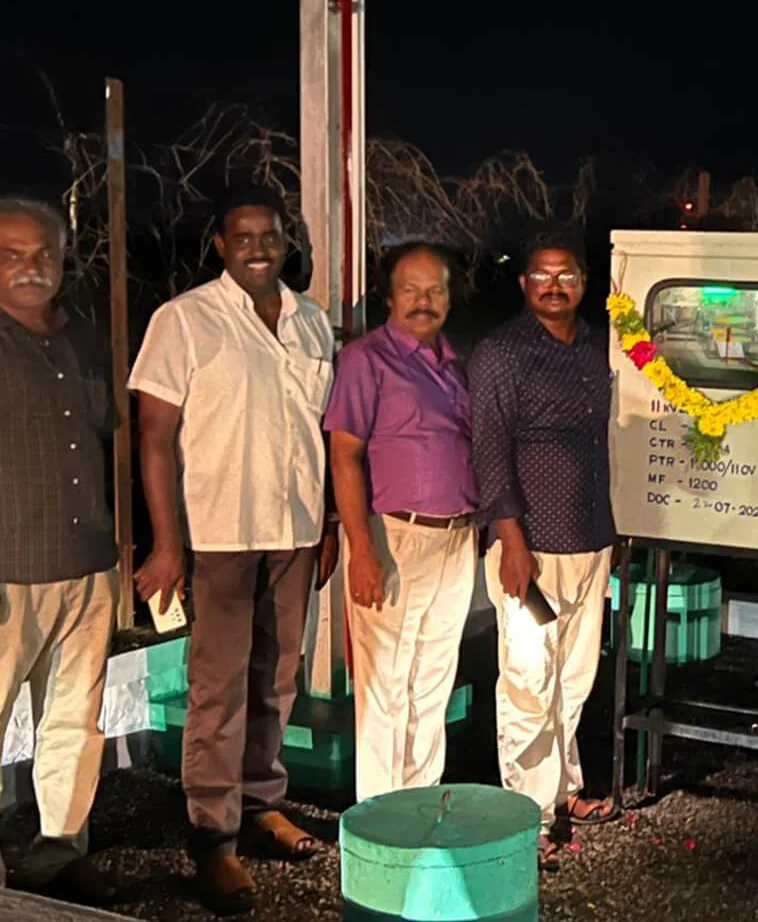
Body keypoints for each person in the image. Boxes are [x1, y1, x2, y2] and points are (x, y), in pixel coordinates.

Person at [129, 185, 338, 916]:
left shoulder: (311, 322)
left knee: (277, 677)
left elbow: (321, 434)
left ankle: (261, 804)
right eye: (242, 237)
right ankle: (213, 837)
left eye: (269, 236)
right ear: (220, 245)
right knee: (218, 688)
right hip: (218, 532)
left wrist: (328, 522)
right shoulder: (184, 319)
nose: (257, 248)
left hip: (295, 530)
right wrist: (167, 542)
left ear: (286, 243)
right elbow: (155, 438)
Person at [468, 234, 617, 871]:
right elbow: (488, 449)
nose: (554, 286)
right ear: (523, 284)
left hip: (591, 538)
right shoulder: (501, 354)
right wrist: (511, 541)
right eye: (542, 276)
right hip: (530, 547)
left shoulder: (600, 346)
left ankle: (564, 790)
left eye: (567, 275)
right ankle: (527, 816)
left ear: (584, 281)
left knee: (574, 678)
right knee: (529, 681)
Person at [324, 242, 477, 803]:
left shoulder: (454, 362)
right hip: (394, 536)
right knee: (385, 685)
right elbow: (344, 456)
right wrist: (361, 549)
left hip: (456, 537)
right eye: (410, 289)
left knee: (433, 680)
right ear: (389, 297)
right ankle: (380, 816)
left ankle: (419, 805)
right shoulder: (366, 360)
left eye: (435, 290)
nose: (423, 301)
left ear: (449, 298)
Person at [0, 198, 119, 904]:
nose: (31, 266)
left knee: (76, 720)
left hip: (86, 561)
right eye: (11, 254)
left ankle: (61, 851)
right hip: (7, 566)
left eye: (44, 252)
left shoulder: (85, 339)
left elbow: (105, 434)